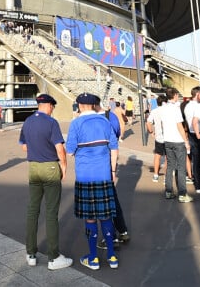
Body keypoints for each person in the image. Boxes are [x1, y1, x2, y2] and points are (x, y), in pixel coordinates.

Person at [19, 93, 72, 271]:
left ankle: (31, 253)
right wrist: (63, 167)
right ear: (49, 105)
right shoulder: (51, 122)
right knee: (51, 212)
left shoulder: (27, 121)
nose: (53, 110)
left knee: (32, 210)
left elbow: (24, 146)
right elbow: (60, 148)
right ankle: (53, 256)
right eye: (53, 106)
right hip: (49, 167)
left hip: (33, 167)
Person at [65, 93, 119, 271]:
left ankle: (93, 258)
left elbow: (70, 150)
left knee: (90, 218)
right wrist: (112, 170)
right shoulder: (105, 121)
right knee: (106, 215)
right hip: (104, 175)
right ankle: (112, 256)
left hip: (85, 177)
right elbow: (114, 148)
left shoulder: (76, 123)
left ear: (79, 105)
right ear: (95, 105)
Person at [94, 102, 130, 249]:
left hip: (98, 164)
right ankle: (122, 230)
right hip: (110, 159)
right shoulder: (111, 116)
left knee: (103, 202)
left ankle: (111, 237)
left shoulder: (90, 120)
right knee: (112, 198)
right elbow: (116, 134)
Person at [160, 88, 192, 202]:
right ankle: (182, 194)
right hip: (178, 141)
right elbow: (179, 126)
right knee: (181, 168)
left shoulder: (162, 108)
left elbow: (163, 124)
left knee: (170, 166)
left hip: (167, 140)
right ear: (174, 95)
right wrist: (186, 141)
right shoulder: (176, 109)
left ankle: (168, 191)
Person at [184, 86, 200, 194]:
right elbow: (195, 122)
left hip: (192, 134)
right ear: (198, 95)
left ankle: (198, 186)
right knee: (198, 160)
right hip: (198, 134)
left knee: (196, 161)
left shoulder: (187, 106)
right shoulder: (198, 106)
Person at [146, 93, 167, 182]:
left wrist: (151, 132)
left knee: (157, 156)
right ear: (165, 102)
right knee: (168, 157)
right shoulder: (168, 110)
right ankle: (167, 176)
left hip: (158, 137)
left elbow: (148, 122)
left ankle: (155, 175)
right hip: (168, 137)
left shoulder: (154, 111)